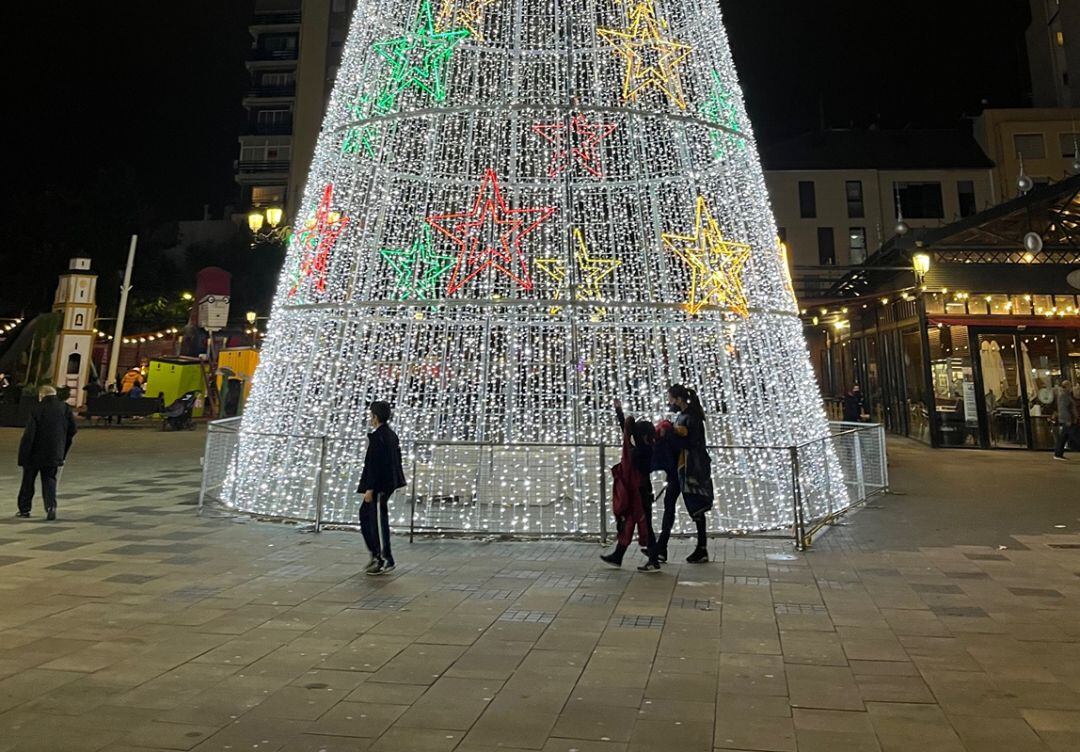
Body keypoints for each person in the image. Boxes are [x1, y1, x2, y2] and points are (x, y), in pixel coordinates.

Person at [601, 399, 661, 573]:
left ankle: (654, 559)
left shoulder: (644, 451)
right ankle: (618, 556)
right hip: (639, 492)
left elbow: (629, 435)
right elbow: (627, 432)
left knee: (645, 526)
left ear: (642, 436)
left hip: (640, 493)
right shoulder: (644, 446)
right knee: (629, 524)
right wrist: (620, 413)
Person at [665, 384, 714, 563]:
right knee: (669, 502)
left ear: (678, 399)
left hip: (691, 469)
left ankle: (702, 548)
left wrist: (673, 434)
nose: (669, 402)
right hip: (681, 468)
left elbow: (693, 442)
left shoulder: (692, 417)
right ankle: (660, 547)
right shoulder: (685, 416)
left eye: (671, 399)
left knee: (696, 507)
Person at [357, 400, 406, 575]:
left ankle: (383, 558)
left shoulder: (379, 437)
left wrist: (370, 489)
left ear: (375, 417)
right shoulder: (390, 435)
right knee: (367, 516)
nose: (370, 419)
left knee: (376, 521)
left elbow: (375, 465)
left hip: (379, 487)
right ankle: (376, 555)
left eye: (371, 415)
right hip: (386, 484)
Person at [17, 386, 77, 521]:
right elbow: (72, 430)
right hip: (54, 452)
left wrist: (23, 454)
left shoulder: (37, 409)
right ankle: (51, 506)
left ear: (41, 396)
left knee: (28, 481)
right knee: (49, 479)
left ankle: (24, 509)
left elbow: (29, 434)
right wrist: (63, 447)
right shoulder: (65, 408)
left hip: (34, 452)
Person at [1053, 380, 1079, 461]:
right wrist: (1068, 420)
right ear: (1066, 386)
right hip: (1068, 420)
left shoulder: (1066, 395)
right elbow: (1063, 409)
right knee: (1077, 436)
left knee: (1063, 437)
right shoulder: (1063, 395)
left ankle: (1058, 454)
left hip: (1068, 420)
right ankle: (1058, 454)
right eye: (1070, 385)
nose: (1072, 387)